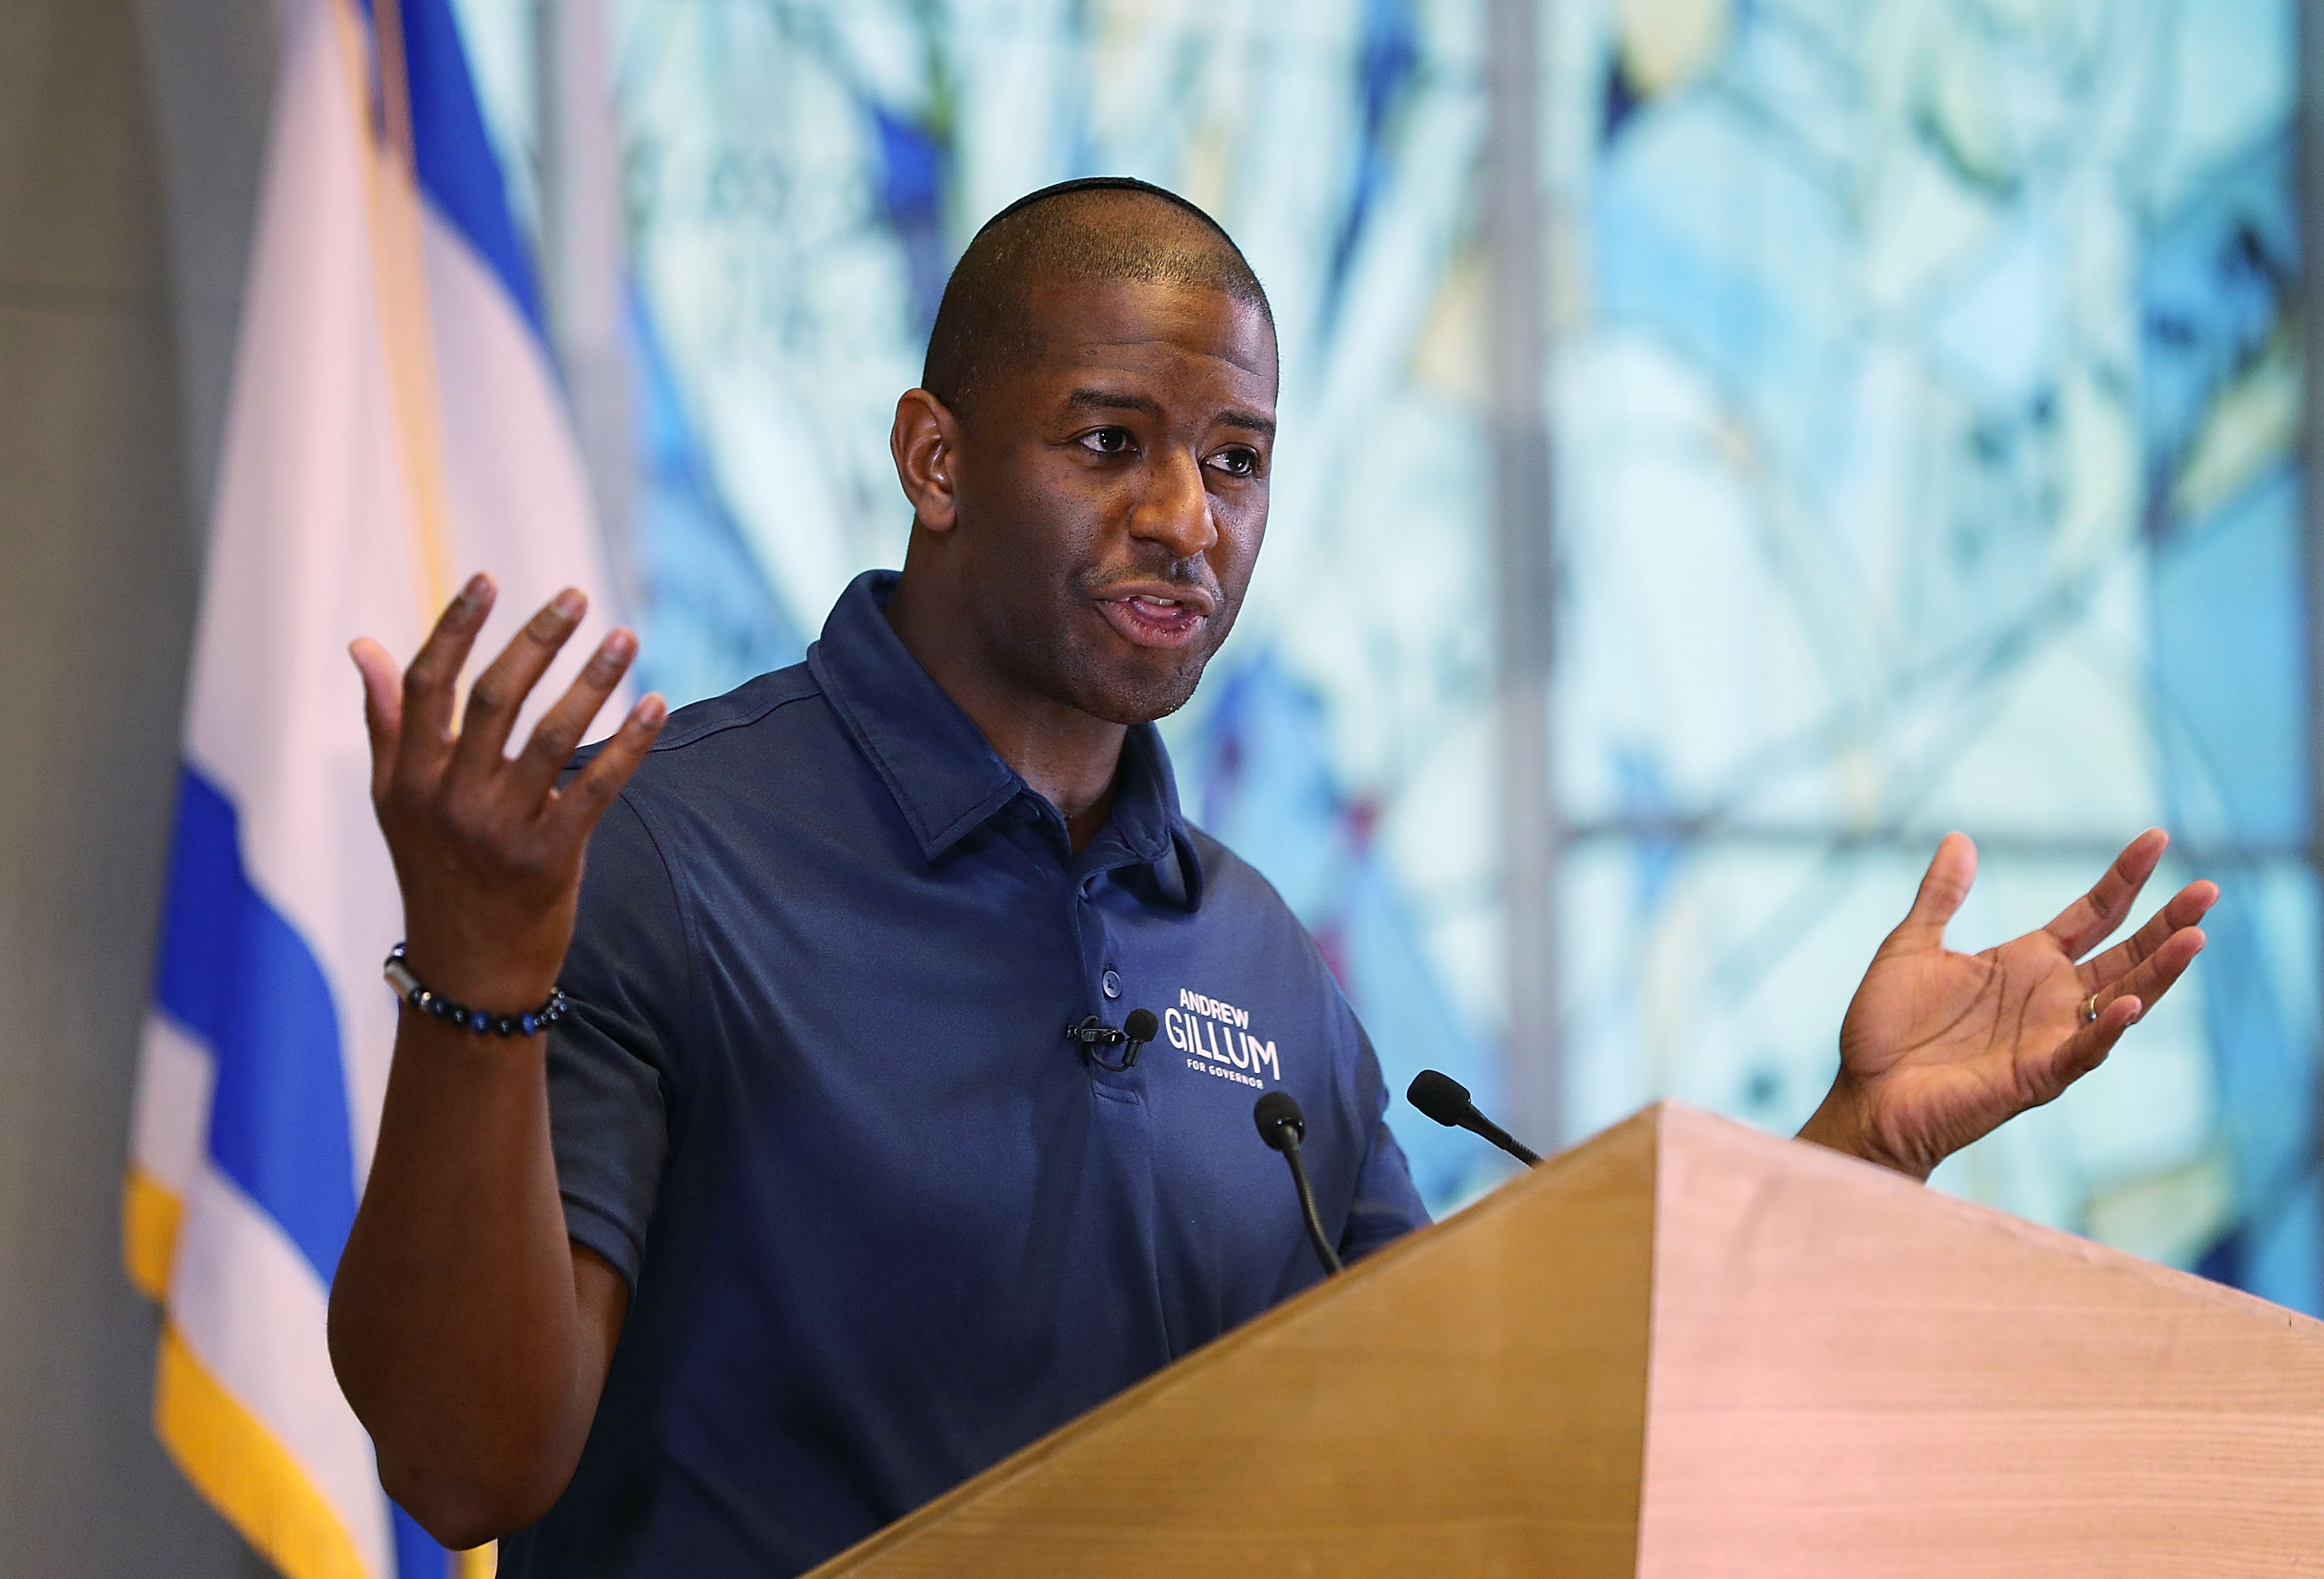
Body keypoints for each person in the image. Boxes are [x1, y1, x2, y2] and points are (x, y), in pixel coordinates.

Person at [326, 178, 2216, 1576]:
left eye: (1237, 458)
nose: (1189, 519)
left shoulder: (1256, 955)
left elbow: (1478, 1443)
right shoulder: (672, 846)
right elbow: (467, 1461)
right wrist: (482, 972)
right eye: (1111, 442)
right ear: (934, 456)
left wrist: (1850, 1151)